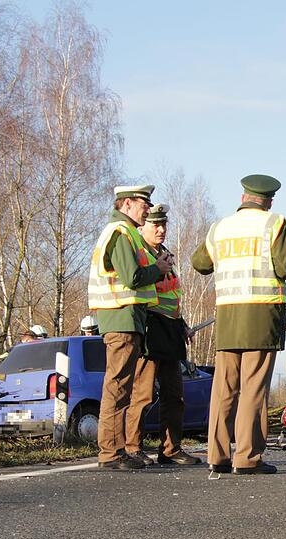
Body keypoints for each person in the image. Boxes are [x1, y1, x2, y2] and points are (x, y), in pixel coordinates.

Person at [191, 174, 286, 475]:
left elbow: (200, 263)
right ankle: (247, 457)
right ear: (270, 201)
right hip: (262, 315)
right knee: (253, 388)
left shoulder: (220, 228)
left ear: (243, 198)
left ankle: (217, 455)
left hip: (228, 315)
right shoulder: (276, 223)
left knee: (223, 388)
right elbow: (285, 267)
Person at [87, 183, 172, 470]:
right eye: (143, 205)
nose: (147, 210)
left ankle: (116, 449)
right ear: (126, 204)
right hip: (121, 317)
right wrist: (158, 269)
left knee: (121, 386)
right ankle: (111, 452)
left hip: (126, 318)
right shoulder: (121, 233)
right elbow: (132, 277)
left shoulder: (126, 233)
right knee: (118, 386)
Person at [124, 203, 201, 466]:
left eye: (164, 224)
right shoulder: (140, 253)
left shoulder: (166, 255)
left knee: (174, 395)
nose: (161, 229)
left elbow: (172, 296)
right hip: (149, 328)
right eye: (155, 224)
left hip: (171, 330)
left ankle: (170, 449)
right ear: (143, 226)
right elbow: (136, 284)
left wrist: (183, 324)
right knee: (143, 394)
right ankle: (133, 448)